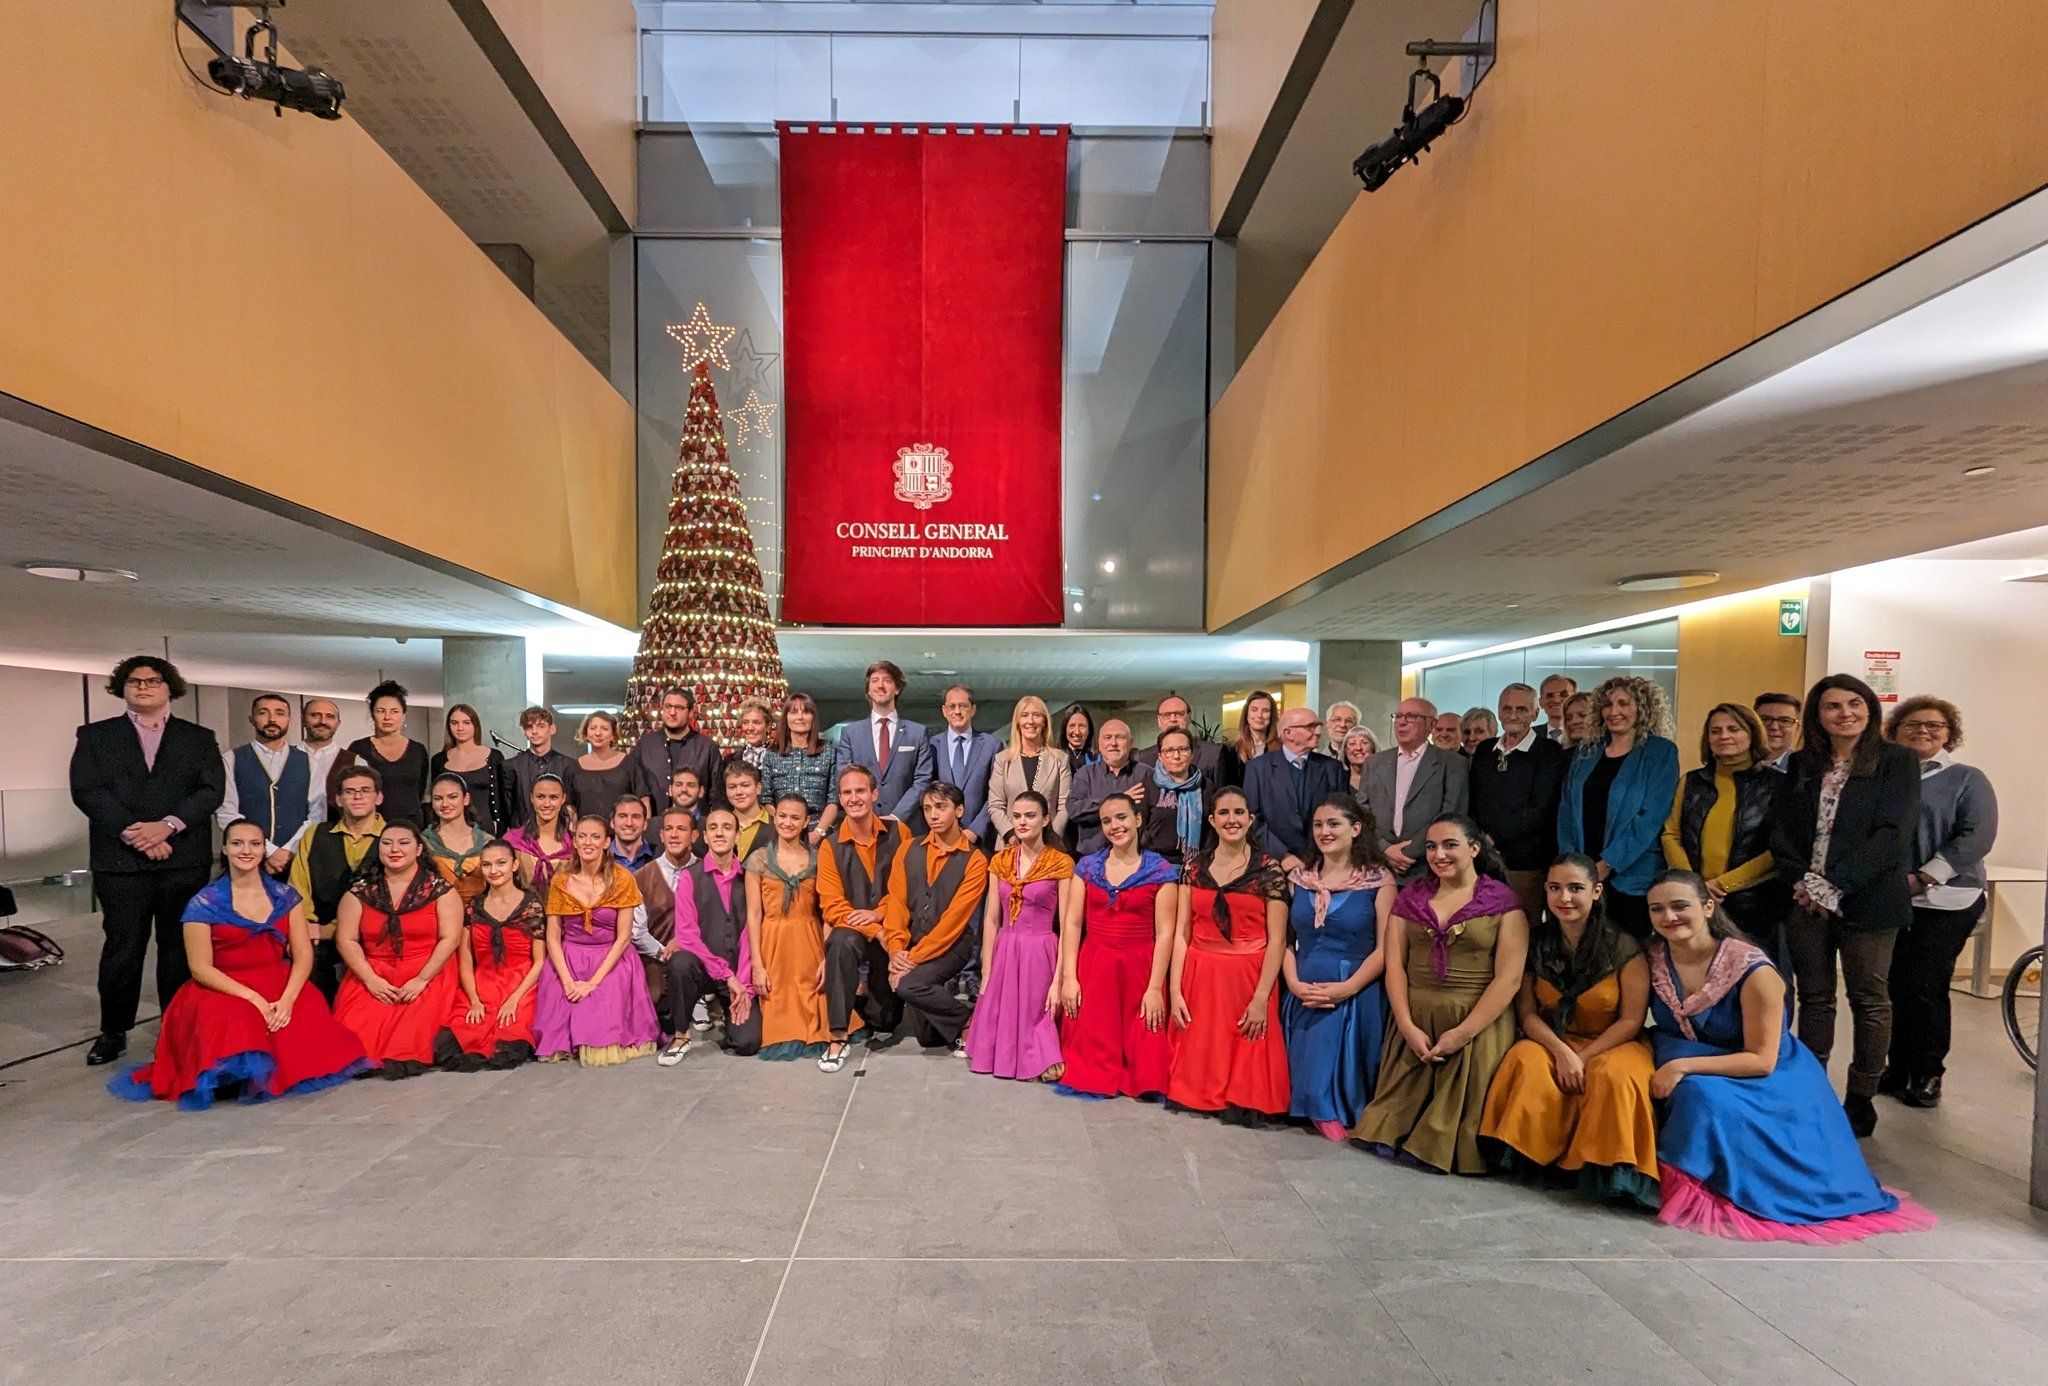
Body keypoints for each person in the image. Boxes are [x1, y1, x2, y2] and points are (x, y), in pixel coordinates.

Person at [1643, 870, 1933, 1241]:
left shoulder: (1752, 970)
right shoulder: (1653, 957)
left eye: (1680, 906)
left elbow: (1762, 1059)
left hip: (1762, 1073)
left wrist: (1682, 1066)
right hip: (1687, 1052)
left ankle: (1721, 1184)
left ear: (1708, 907)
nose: (1669, 917)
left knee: (1701, 1096)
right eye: (1658, 909)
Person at [109, 820, 368, 1108]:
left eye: (255, 844)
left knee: (307, 1009)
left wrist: (288, 998)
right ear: (225, 849)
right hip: (222, 986)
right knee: (237, 1018)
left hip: (277, 979)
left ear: (263, 849)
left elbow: (303, 954)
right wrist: (252, 997)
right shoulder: (203, 903)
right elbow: (200, 968)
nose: (247, 850)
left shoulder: (285, 897)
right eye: (237, 843)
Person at [1770, 674, 1921, 1136]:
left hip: (1869, 900)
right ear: (1818, 715)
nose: (1845, 713)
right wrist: (1804, 881)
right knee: (1816, 999)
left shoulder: (1897, 762)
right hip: (1805, 902)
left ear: (1870, 709)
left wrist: (1833, 884)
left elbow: (1893, 835)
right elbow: (1783, 833)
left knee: (1870, 1000)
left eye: (1854, 703)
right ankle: (1813, 1089)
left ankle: (1861, 1097)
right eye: (1832, 706)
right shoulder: (1801, 764)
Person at [69, 655, 226, 1066]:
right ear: (123, 688)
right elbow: (88, 791)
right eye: (135, 681)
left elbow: (210, 792)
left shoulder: (199, 738)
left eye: (153, 680)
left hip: (182, 858)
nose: (143, 687)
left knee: (178, 949)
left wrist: (168, 826)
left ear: (168, 687)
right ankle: (113, 1030)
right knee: (123, 948)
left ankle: (176, 1027)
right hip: (121, 862)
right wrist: (137, 833)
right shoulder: (95, 736)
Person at [1350, 814, 1528, 1173]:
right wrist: (1405, 1024)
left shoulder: (1504, 903)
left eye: (1450, 845)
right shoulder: (1410, 897)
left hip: (1476, 1023)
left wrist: (1462, 1033)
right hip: (1415, 1017)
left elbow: (1508, 980)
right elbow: (1395, 965)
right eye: (1431, 846)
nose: (1438, 854)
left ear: (1475, 849)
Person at [1477, 854, 1657, 1208]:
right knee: (1525, 1060)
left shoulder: (1624, 947)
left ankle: (1606, 1171)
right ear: (1545, 891)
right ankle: (1535, 1159)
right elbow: (1527, 1013)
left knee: (1613, 1076)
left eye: (1576, 888)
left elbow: (1631, 1020)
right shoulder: (1535, 941)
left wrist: (1582, 1057)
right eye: (1555, 888)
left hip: (1612, 1041)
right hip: (1554, 1037)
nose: (1565, 898)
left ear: (1596, 891)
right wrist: (1561, 1052)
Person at [1882, 696, 1999, 1109]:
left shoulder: (1967, 778)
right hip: (1893, 898)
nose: (1923, 731)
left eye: (1935, 725)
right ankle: (1897, 1069)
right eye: (1912, 724)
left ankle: (1929, 1073)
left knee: (1926, 986)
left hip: (1949, 897)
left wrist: (1927, 876)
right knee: (1894, 984)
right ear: (1894, 731)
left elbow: (1976, 836)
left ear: (1950, 733)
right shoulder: (1886, 775)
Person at [1166, 787, 1290, 1121]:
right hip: (1200, 974)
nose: (1231, 819)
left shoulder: (1269, 871)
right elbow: (1182, 933)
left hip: (1248, 978)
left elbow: (1277, 941)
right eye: (1223, 813)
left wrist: (1262, 997)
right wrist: (1175, 990)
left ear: (1251, 820)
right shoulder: (1193, 868)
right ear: (1211, 820)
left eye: (1238, 813)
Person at [1281, 794, 1397, 1139]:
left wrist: (1347, 988)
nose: (1324, 831)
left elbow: (1385, 948)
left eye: (1334, 824)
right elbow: (1286, 942)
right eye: (1318, 824)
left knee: (1319, 1089)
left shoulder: (1379, 880)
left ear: (1356, 828)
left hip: (1355, 990)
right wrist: (1293, 983)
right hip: (1302, 990)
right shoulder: (1299, 877)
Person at [1056, 794, 1180, 1099]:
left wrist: (1154, 988)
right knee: (1090, 1053)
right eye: (1107, 821)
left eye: (1121, 817)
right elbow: (1072, 924)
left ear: (1137, 820)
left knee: (1145, 1048)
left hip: (1140, 968)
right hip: (1095, 965)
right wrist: (1069, 978)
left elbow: (1165, 933)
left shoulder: (1161, 872)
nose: (1115, 826)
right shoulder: (1086, 868)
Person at [331, 822, 463, 1077]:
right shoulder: (359, 891)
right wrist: (370, 980)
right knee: (355, 1040)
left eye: (403, 843)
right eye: (387, 843)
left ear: (419, 849)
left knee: (411, 1037)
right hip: (373, 972)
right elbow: (346, 939)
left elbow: (450, 938)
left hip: (428, 970)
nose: (395, 849)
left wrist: (422, 980)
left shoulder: (440, 890)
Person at [1660, 703, 1785, 971]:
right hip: (1696, 902)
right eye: (1715, 731)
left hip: (1753, 905)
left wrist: (1724, 884)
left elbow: (1778, 848)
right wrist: (1694, 884)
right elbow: (1671, 834)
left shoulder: (1777, 784)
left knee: (1755, 982)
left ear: (1752, 733)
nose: (1723, 736)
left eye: (1733, 729)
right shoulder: (1691, 781)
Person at [1557, 676, 1680, 939]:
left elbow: (1650, 817)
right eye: (1607, 704)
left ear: (1642, 708)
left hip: (1631, 874)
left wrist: (1607, 864)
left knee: (1627, 954)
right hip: (1582, 872)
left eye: (1624, 703)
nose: (1614, 712)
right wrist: (1574, 863)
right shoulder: (1587, 751)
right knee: (1582, 948)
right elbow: (1567, 808)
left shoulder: (1660, 752)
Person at [963, 791, 1074, 1082]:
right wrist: (986, 968)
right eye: (1017, 816)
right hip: (1005, 948)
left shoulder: (1060, 863)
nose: (1022, 822)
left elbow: (1067, 926)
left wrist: (1059, 979)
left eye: (1030, 815)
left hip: (1040, 949)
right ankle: (1003, 1056)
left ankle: (1035, 1057)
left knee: (1035, 1014)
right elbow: (990, 918)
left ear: (1046, 819)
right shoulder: (1000, 861)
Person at [535, 815, 660, 1065]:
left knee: (598, 1019)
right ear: (575, 841)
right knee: (564, 1006)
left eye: (595, 837)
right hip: (569, 959)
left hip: (611, 958)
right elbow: (552, 936)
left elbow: (624, 937)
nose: (588, 842)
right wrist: (569, 981)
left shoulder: (622, 878)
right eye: (582, 836)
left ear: (607, 842)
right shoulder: (561, 880)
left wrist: (592, 983)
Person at [877, 782, 989, 1053]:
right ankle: (952, 1013)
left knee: (908, 984)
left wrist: (910, 962)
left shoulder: (975, 860)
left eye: (941, 807)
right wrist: (895, 951)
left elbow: (954, 921)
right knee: (928, 1038)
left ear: (959, 810)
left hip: (954, 944)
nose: (933, 815)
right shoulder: (908, 849)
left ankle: (968, 1021)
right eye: (927, 809)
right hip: (913, 942)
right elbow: (897, 904)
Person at [645, 807, 759, 1062]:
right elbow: (686, 935)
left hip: (739, 973)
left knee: (748, 1042)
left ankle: (729, 1020)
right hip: (707, 970)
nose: (720, 833)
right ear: (705, 837)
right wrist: (725, 975)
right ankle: (681, 1035)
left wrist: (742, 984)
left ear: (737, 836)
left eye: (727, 828)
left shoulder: (749, 877)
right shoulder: (690, 877)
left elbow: (749, 933)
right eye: (714, 828)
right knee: (680, 962)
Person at [817, 764, 910, 1060]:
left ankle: (863, 996)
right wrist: (875, 929)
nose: (854, 798)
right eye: (846, 793)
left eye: (860, 791)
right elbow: (832, 905)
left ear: (874, 794)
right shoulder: (830, 846)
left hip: (892, 924)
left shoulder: (900, 831)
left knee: (886, 1021)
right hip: (854, 930)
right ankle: (838, 1033)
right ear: (840, 799)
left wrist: (880, 914)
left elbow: (906, 886)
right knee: (840, 943)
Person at [748, 795, 849, 1062]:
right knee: (778, 1007)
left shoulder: (819, 858)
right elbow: (753, 914)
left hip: (810, 941)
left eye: (795, 817)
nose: (787, 822)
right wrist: (757, 965)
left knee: (815, 1000)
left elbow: (828, 912)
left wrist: (827, 958)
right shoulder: (758, 860)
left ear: (806, 822)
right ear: (774, 817)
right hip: (773, 944)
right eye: (782, 816)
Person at [437, 839, 547, 1070]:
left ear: (514, 865)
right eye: (487, 865)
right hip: (482, 983)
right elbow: (465, 961)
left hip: (523, 984)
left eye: (501, 863)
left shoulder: (532, 905)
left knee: (511, 1030)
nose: (494, 871)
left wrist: (515, 999)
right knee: (466, 1028)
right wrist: (474, 1000)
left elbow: (539, 962)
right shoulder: (473, 907)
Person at [1468, 682, 1569, 924]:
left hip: (1526, 862)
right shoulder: (1484, 750)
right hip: (1482, 859)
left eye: (1522, 709)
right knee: (1483, 926)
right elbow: (1474, 800)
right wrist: (1480, 839)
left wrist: (1495, 838)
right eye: (1507, 708)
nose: (1513, 715)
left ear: (1536, 713)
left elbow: (1541, 808)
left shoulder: (1548, 751)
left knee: (1522, 926)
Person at [287, 764, 386, 1000]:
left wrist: (331, 930)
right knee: (304, 959)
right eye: (350, 791)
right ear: (339, 799)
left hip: (377, 938)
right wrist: (305, 930)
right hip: (318, 934)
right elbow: (298, 890)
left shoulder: (396, 837)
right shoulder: (315, 835)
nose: (358, 796)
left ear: (379, 797)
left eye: (365, 790)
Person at [1363, 697, 1471, 878]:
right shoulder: (1374, 763)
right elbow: (1361, 811)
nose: (1401, 722)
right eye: (1398, 717)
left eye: (1411, 716)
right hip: (1380, 867)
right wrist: (1386, 849)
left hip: (1427, 868)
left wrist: (1408, 853)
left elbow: (1451, 814)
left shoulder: (1452, 764)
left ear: (1431, 725)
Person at [215, 693, 318, 875]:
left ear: (289, 720)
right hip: (246, 860)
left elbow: (318, 812)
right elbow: (226, 812)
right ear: (252, 719)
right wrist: (269, 850)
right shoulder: (231, 759)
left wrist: (290, 850)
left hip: (297, 859)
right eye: (263, 713)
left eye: (279, 713)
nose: (272, 719)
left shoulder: (309, 761)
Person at [832, 659, 933, 830]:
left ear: (897, 688)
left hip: (906, 827)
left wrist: (897, 816)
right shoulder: (851, 733)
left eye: (887, 680)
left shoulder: (917, 733)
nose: (880, 685)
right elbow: (844, 778)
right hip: (861, 826)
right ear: (868, 690)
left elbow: (922, 780)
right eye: (875, 681)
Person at [1244, 706, 1345, 871]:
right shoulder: (1258, 768)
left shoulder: (1332, 768)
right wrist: (1282, 855)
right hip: (1273, 865)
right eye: (1310, 727)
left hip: (1324, 863)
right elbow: (1252, 819)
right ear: (1288, 733)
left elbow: (1342, 817)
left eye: (1318, 726)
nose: (1319, 732)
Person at [988, 694, 1072, 846]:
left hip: (1049, 844)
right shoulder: (1002, 760)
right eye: (1025, 715)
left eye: (1036, 715)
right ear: (1017, 722)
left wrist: (1051, 837)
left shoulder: (1060, 759)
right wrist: (1011, 834)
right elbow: (995, 804)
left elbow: (1064, 804)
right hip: (1010, 844)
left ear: (1044, 722)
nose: (1030, 721)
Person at [345, 680, 430, 824]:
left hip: (411, 826)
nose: (387, 717)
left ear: (403, 715)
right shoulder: (358, 748)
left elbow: (419, 791)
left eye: (394, 711)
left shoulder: (418, 750)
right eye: (381, 711)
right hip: (371, 826)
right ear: (372, 715)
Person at [628, 686, 722, 813]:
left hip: (695, 826)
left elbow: (717, 794)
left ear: (690, 713)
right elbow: (634, 785)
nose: (672, 712)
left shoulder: (707, 747)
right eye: (667, 706)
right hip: (654, 826)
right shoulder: (645, 745)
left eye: (678, 708)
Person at [930, 683, 1001, 849]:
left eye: (963, 706)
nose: (957, 711)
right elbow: (928, 790)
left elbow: (996, 793)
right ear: (944, 711)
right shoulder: (932, 745)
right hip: (941, 838)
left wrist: (976, 830)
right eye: (952, 706)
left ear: (973, 709)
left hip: (979, 839)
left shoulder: (992, 745)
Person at [428, 704, 513, 837]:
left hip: (486, 831)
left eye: (466, 723)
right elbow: (435, 800)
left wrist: (502, 834)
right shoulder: (438, 760)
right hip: (449, 832)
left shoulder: (494, 757)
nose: (460, 728)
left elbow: (503, 801)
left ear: (475, 725)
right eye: (454, 723)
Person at [761, 692, 835, 840]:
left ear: (813, 717)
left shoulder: (828, 752)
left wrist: (818, 832)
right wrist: (783, 826)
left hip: (819, 832)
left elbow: (833, 799)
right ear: (786, 717)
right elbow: (766, 799)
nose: (800, 717)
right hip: (781, 833)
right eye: (794, 712)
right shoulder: (772, 755)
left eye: (806, 712)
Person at [1067, 718, 1146, 855]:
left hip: (1136, 859)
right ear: (1099, 743)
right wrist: (1121, 799)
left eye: (1120, 737)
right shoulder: (1085, 774)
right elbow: (1074, 810)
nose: (1113, 743)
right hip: (1092, 858)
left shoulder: (1146, 774)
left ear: (1131, 742)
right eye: (1107, 737)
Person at [1136, 693, 1237, 785]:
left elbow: (1224, 794)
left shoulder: (1213, 753)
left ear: (1189, 717)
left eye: (1179, 714)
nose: (1173, 719)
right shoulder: (1145, 758)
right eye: (1167, 715)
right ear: (1159, 720)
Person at [421, 773, 492, 903]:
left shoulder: (488, 842)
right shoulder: (423, 843)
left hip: (482, 917)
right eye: (438, 799)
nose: (445, 804)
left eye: (452, 797)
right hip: (438, 915)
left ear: (466, 799)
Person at [569, 711, 646, 821]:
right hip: (587, 834)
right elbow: (571, 806)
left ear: (613, 735)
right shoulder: (574, 767)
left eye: (604, 729)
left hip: (623, 833)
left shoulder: (629, 763)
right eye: (593, 728)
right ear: (586, 732)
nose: (598, 733)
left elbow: (643, 799)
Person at [503, 773, 574, 892]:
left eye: (553, 797)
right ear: (532, 798)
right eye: (540, 797)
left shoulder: (574, 842)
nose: (546, 804)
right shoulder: (513, 841)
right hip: (523, 909)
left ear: (563, 799)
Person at [508, 706, 578, 813]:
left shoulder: (569, 765)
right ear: (524, 731)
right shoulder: (511, 766)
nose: (534, 731)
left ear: (552, 729)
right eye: (529, 727)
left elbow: (573, 804)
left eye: (541, 726)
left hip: (559, 827)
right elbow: (507, 809)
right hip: (521, 828)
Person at [713, 697, 775, 811]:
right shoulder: (729, 760)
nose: (750, 728)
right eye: (746, 723)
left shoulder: (779, 757)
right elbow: (720, 797)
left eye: (756, 722)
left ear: (768, 726)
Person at [300, 697, 346, 818]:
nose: (323, 721)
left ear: (338, 723)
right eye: (315, 715)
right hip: (291, 835)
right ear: (302, 719)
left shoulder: (355, 761)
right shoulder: (284, 757)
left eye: (330, 717)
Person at [720, 761, 772, 859]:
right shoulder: (719, 827)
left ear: (758, 788)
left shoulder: (777, 827)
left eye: (745, 785)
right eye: (732, 787)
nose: (738, 792)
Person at [1752, 692, 1802, 772]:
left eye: (1784, 720)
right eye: (1765, 719)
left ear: (1797, 728)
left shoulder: (1809, 772)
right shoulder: (1733, 766)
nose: (1774, 727)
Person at [609, 794, 657, 871]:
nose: (629, 823)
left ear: (645, 823)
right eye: (622, 816)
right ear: (612, 822)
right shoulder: (599, 858)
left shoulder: (659, 857)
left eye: (636, 817)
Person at [1237, 690, 1281, 767]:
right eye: (1254, 710)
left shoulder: (1282, 749)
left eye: (1265, 711)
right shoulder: (1230, 750)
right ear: (1246, 713)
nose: (1259, 715)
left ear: (1272, 716)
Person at [1056, 702, 1098, 780]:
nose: (1077, 732)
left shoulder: (1098, 760)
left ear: (1089, 730)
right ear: (1065, 729)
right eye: (1072, 726)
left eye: (1082, 726)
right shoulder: (1055, 758)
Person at [1339, 726, 1378, 798]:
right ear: (1345, 751)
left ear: (1373, 748)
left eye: (1364, 742)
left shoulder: (1383, 778)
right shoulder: (1338, 779)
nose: (1358, 748)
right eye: (1352, 743)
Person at [1539, 675, 1577, 743]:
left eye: (1564, 694)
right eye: (1550, 695)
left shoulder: (1586, 736)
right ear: (1540, 702)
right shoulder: (1528, 735)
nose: (1556, 700)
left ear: (1575, 700)